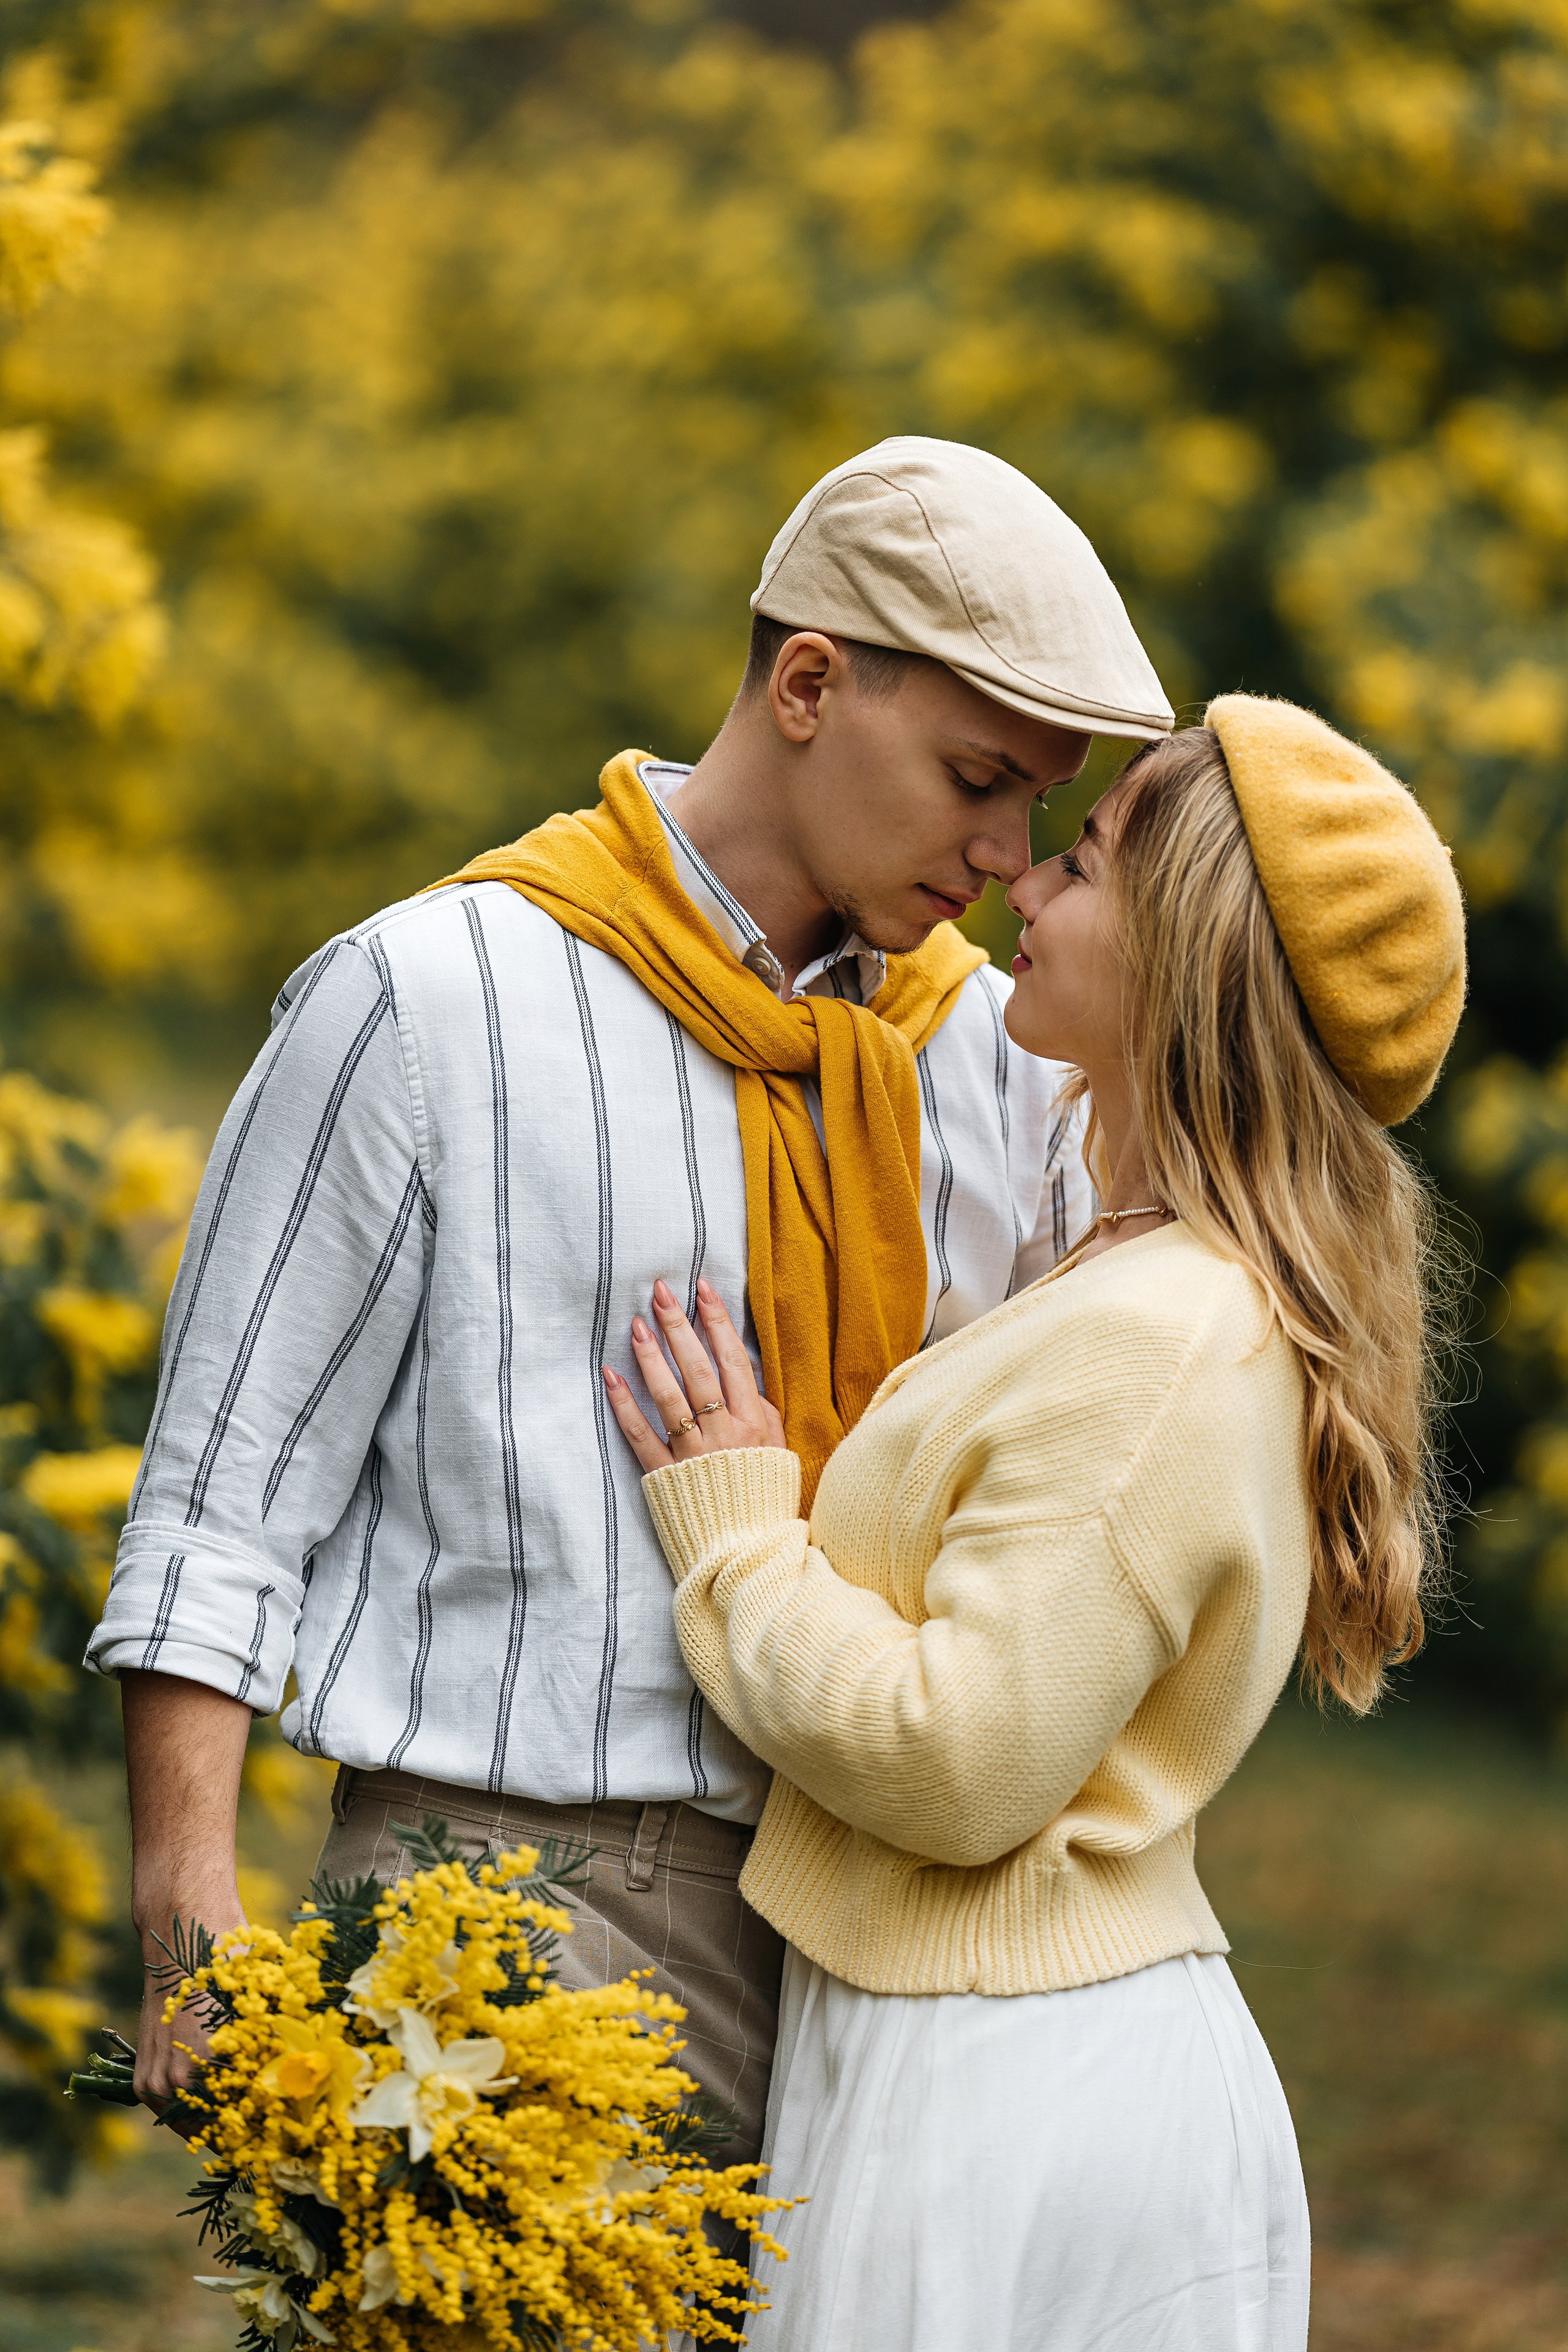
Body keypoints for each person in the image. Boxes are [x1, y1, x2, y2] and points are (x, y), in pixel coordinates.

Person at [85, 435, 1174, 2179]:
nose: (1002, 849)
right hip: (502, 1911)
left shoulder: (991, 1064)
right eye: (979, 776)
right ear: (811, 682)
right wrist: (189, 1936)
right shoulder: (430, 998)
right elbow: (222, 1505)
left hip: (883, 1951)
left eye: (1041, 805)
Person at [603, 693, 1467, 2349]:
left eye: (1079, 864)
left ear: (1188, 960)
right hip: (974, 2039)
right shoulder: (1130, 1279)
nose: (1023, 894)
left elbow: (958, 1759)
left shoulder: (1157, 1342)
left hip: (1010, 2088)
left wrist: (735, 1534)